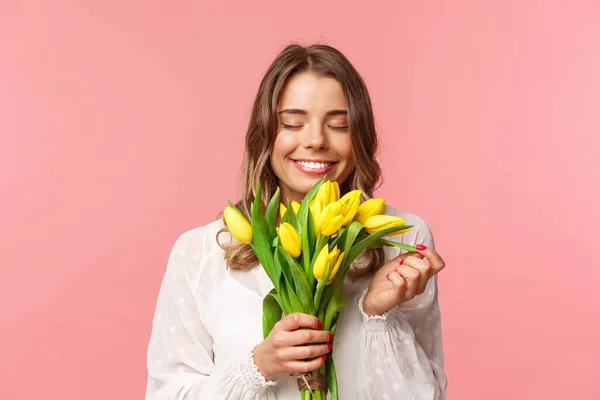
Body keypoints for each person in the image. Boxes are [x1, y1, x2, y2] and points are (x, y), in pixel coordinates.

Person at [145, 43, 447, 399]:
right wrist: (258, 366)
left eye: (339, 125)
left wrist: (377, 316)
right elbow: (167, 394)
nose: (316, 141)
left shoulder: (402, 237)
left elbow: (428, 393)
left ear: (360, 135)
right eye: (293, 123)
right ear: (265, 134)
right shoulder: (201, 252)